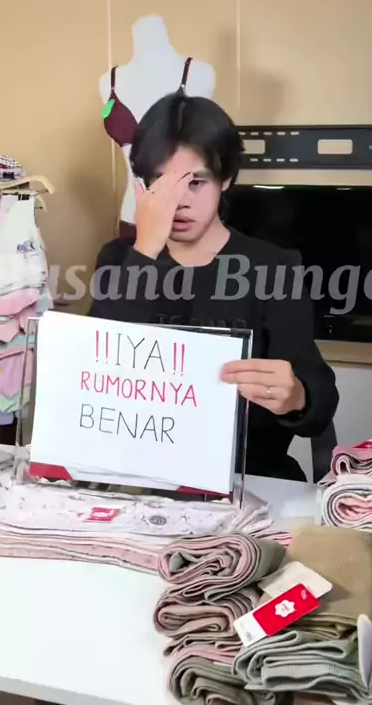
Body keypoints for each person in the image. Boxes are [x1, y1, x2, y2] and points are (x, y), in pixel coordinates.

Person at [88, 93, 339, 480]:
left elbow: (319, 396)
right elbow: (92, 374)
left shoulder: (273, 267)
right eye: (163, 184)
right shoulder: (120, 259)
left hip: (249, 476)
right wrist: (146, 250)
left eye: (196, 182)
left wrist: (297, 396)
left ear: (226, 180)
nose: (180, 202)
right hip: (138, 474)